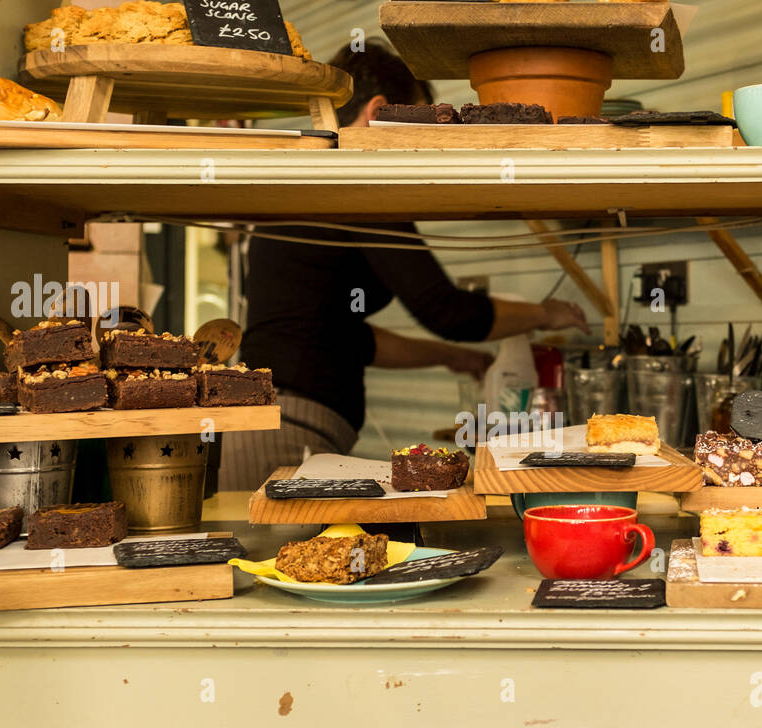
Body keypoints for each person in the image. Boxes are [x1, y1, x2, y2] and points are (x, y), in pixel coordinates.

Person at [219, 40, 589, 491]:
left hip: (276, 429)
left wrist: (451, 357)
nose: (424, 151)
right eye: (420, 129)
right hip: (282, 440)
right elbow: (448, 311)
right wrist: (546, 313)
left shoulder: (314, 183)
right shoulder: (357, 186)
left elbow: (339, 334)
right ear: (379, 112)